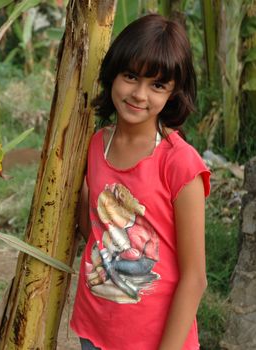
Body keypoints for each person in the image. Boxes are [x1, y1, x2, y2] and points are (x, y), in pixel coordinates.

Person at [70, 14, 210, 350]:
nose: (139, 94)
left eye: (157, 85)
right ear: (113, 74)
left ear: (173, 92)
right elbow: (96, 231)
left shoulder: (179, 162)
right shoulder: (94, 145)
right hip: (94, 326)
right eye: (131, 76)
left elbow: (195, 278)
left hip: (154, 339)